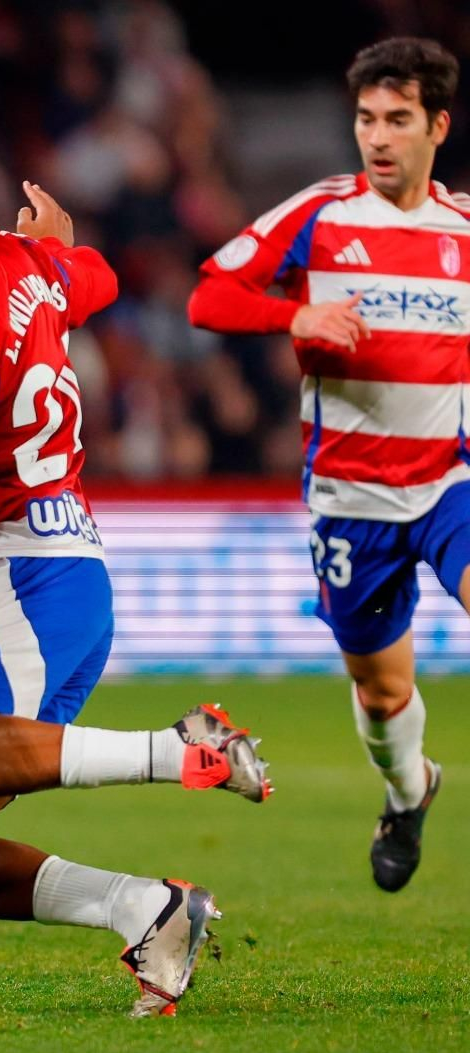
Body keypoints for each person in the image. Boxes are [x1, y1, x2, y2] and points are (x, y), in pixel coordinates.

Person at [0, 120, 272, 1018]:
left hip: (17, 574)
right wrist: (60, 251)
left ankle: (182, 750)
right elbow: (97, 282)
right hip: (62, 578)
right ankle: (147, 909)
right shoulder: (19, 262)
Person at [188, 38, 465, 894]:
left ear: (437, 127)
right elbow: (209, 296)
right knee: (383, 697)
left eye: (398, 120)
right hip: (351, 500)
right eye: (365, 119)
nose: (378, 138)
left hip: (452, 484)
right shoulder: (321, 214)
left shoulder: (463, 232)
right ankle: (408, 789)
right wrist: (294, 318)